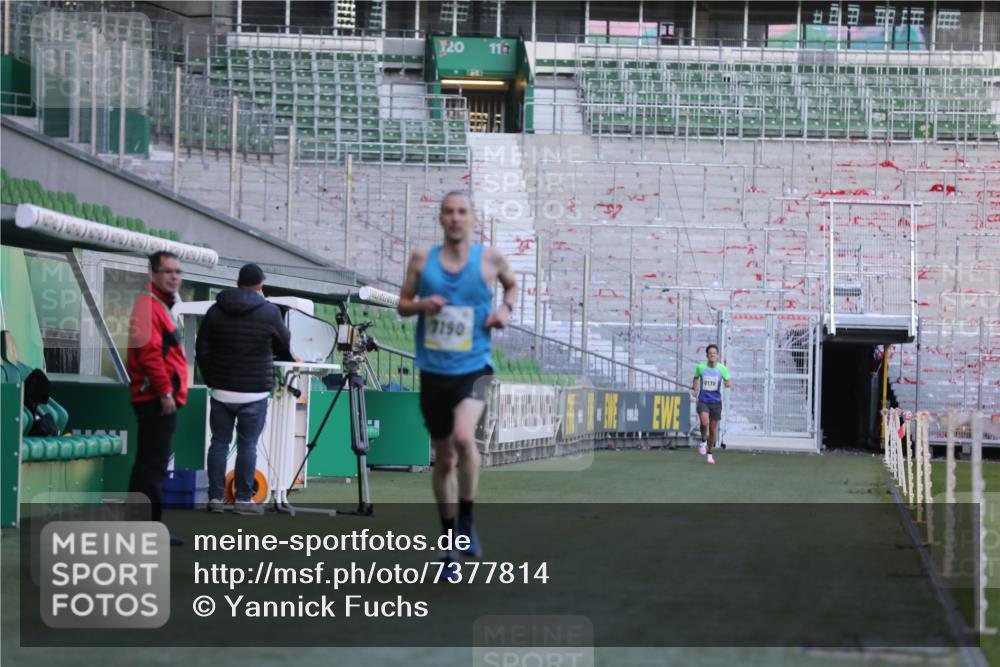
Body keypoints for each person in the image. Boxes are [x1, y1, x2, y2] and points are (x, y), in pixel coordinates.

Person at [397, 191, 516, 573]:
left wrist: (504, 309)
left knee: (465, 439)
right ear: (440, 218)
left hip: (475, 367)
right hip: (434, 371)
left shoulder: (490, 259)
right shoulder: (422, 259)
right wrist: (422, 305)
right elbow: (401, 304)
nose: (455, 218)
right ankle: (449, 542)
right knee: (444, 459)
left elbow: (512, 285)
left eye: (462, 211)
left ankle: (467, 519)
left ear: (472, 218)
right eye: (448, 212)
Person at [197, 263, 293, 516]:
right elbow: (284, 343)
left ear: (237, 281)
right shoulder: (270, 312)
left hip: (221, 390)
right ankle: (242, 499)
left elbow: (202, 349)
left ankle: (216, 498)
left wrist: (211, 379)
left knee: (218, 443)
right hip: (255, 391)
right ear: (261, 285)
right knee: (247, 445)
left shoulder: (215, 310)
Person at [127, 251, 188, 544]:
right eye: (168, 271)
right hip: (155, 398)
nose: (174, 276)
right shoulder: (149, 305)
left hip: (157, 397)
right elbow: (150, 354)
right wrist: (165, 392)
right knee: (151, 467)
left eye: (178, 271)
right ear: (152, 275)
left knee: (151, 465)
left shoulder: (156, 306)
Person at [692, 344, 731, 465]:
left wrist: (727, 383)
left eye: (714, 353)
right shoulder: (701, 367)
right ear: (707, 355)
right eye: (710, 353)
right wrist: (695, 388)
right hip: (703, 400)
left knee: (713, 430)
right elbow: (696, 377)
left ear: (717, 355)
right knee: (705, 423)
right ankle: (703, 441)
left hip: (716, 402)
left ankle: (710, 454)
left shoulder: (722, 369)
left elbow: (727, 380)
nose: (712, 355)